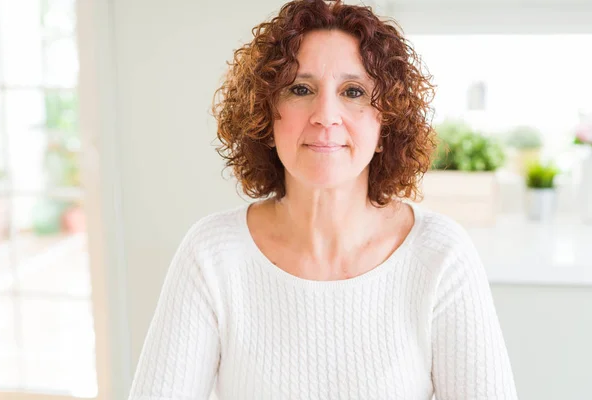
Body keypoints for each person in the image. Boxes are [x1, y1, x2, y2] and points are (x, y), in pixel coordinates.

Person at [128, 0, 518, 399]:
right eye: (301, 89)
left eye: (353, 91)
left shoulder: (440, 255)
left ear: (387, 121)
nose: (325, 115)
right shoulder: (211, 254)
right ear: (266, 112)